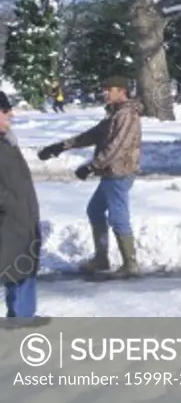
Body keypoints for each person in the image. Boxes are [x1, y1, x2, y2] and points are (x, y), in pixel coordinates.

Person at [38, 76, 142, 277]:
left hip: (119, 172)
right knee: (94, 210)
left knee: (118, 217)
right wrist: (60, 146)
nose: (105, 93)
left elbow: (117, 147)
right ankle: (101, 258)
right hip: (110, 172)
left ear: (122, 91)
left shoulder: (127, 114)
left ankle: (130, 264)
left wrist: (91, 167)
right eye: (104, 89)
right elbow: (93, 135)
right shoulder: (114, 113)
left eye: (109, 89)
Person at [0, 91, 43, 318]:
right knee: (17, 270)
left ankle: (20, 321)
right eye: (4, 110)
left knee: (20, 271)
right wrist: (8, 204)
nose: (11, 114)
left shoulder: (7, 141)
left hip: (20, 221)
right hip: (9, 222)